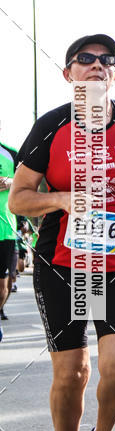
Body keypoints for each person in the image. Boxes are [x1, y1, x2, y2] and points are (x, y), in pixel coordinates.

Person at [8, 34, 115, 431]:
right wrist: (61, 199)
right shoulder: (51, 127)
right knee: (72, 373)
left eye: (106, 60)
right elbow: (19, 198)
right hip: (65, 264)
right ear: (68, 72)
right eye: (86, 60)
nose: (97, 66)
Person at [0, 135, 18, 340]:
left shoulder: (11, 153)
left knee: (2, 285)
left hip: (4, 229)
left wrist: (10, 181)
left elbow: (28, 181)